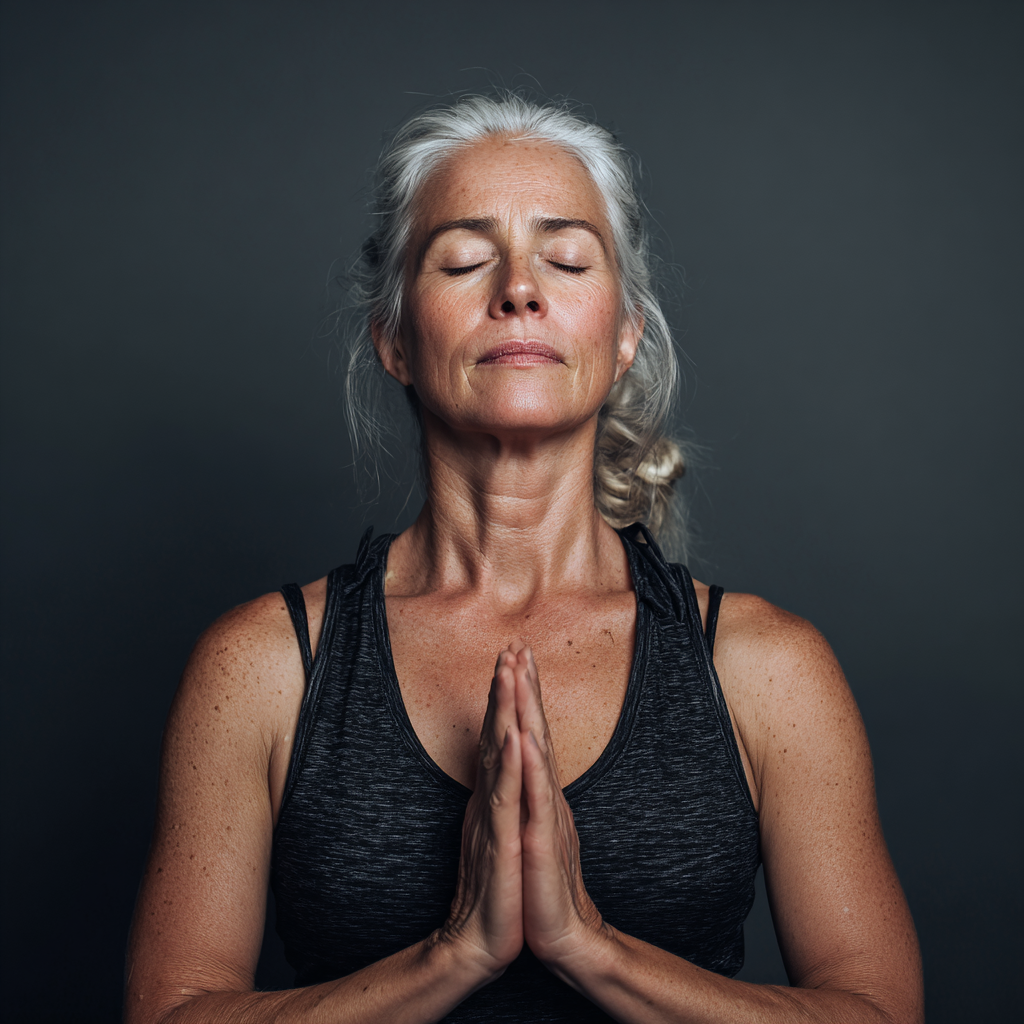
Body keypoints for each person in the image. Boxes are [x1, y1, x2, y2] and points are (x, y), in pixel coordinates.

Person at [125, 93, 923, 1023]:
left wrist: (591, 947)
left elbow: (879, 1012)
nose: (518, 287)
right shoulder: (262, 668)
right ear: (393, 339)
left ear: (623, 334)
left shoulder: (766, 670)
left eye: (567, 258)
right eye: (463, 258)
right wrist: (453, 955)